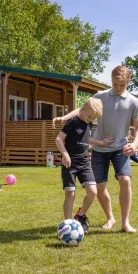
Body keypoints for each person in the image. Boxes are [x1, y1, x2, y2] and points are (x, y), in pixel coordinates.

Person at [54, 65, 138, 233]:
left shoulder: (133, 101)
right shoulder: (101, 96)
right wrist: (64, 118)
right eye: (115, 84)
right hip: (99, 149)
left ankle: (125, 222)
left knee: (125, 180)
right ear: (111, 81)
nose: (118, 88)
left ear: (128, 82)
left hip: (121, 148)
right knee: (99, 187)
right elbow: (82, 109)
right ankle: (110, 217)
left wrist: (135, 143)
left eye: (122, 85)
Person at [55, 98, 113, 233]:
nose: (89, 120)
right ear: (82, 109)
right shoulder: (73, 122)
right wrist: (65, 154)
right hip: (70, 162)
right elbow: (59, 139)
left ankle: (80, 215)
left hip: (84, 162)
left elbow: (86, 139)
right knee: (70, 193)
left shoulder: (89, 123)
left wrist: (101, 142)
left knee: (93, 191)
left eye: (92, 118)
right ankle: (67, 225)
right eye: (88, 117)